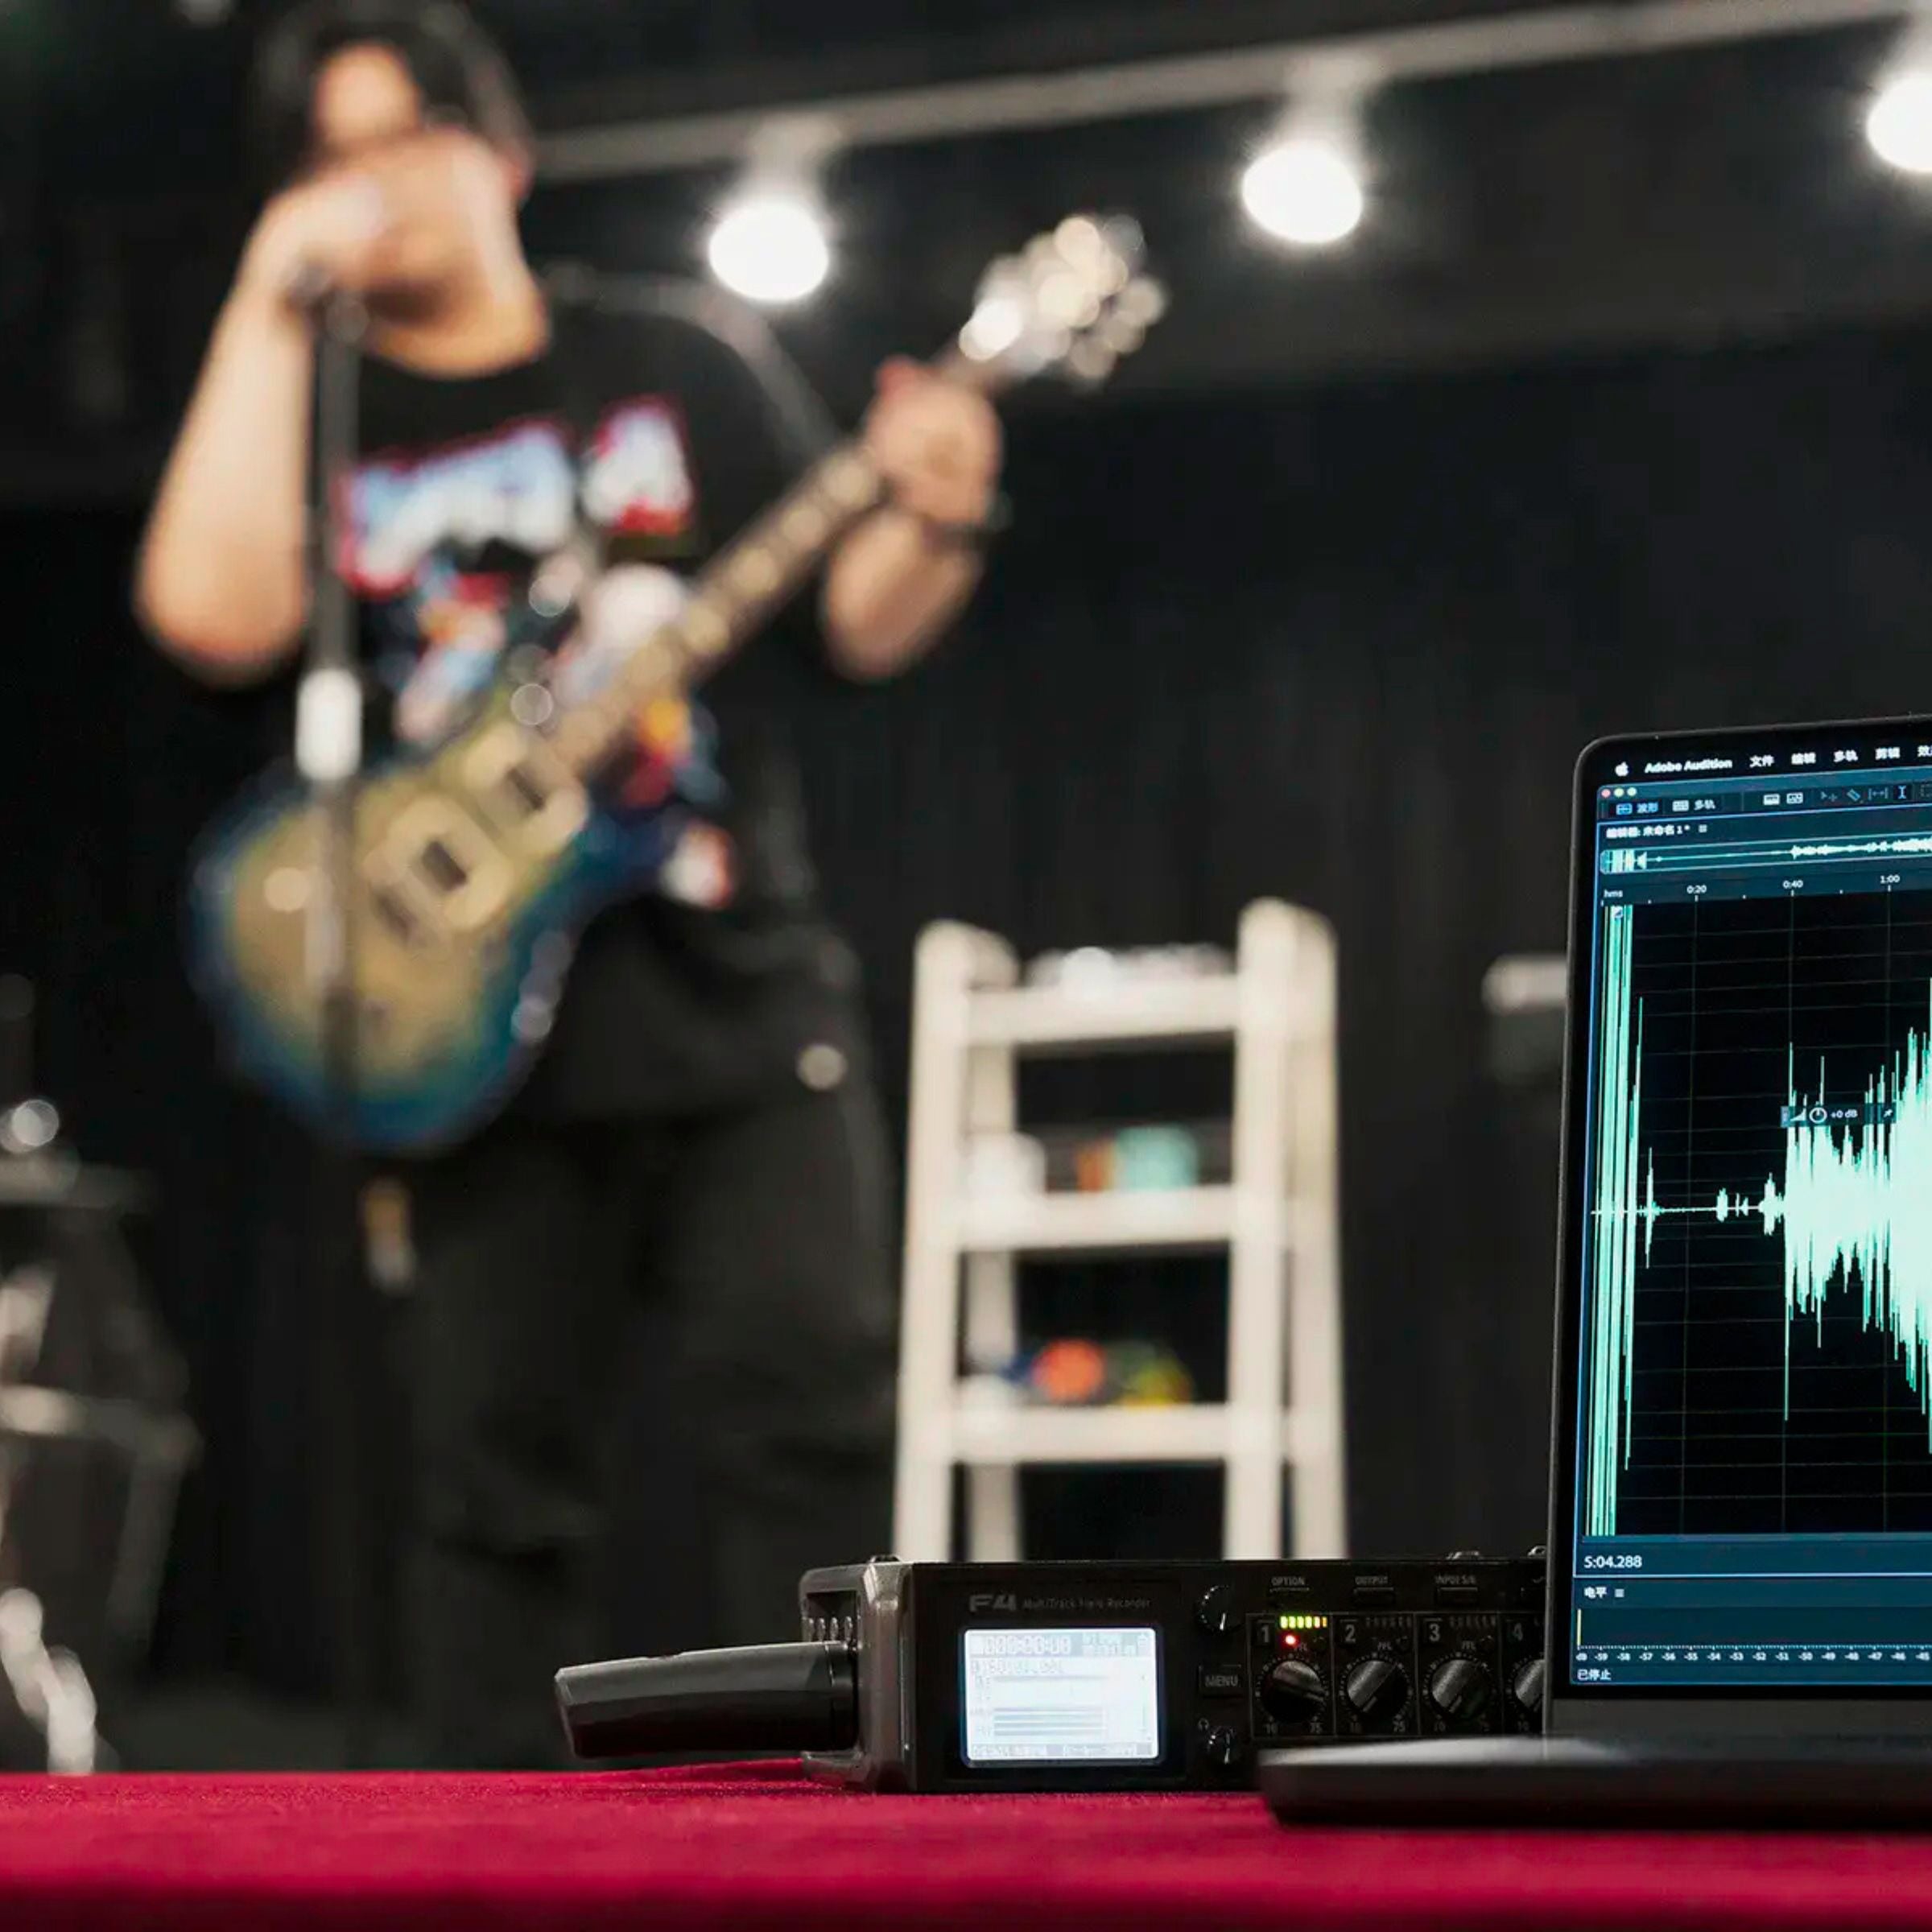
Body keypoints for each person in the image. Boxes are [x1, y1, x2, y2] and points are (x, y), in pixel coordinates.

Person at [135, 0, 1004, 1766]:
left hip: (733, 996)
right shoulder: (321, 411)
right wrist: (262, 300)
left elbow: (854, 624)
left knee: (812, 1432)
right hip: (461, 1034)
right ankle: (489, 1858)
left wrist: (940, 517)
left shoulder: (673, 357)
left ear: (501, 152)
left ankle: (865, 1825)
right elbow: (212, 615)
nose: (366, 188)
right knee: (489, 1499)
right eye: (327, 158)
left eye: (403, 141)